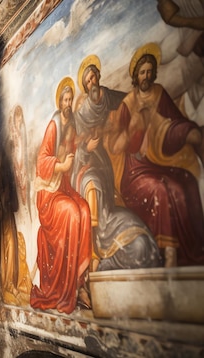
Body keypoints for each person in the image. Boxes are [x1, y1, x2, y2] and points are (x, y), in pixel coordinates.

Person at [110, 43, 204, 267]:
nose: (146, 76)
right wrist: (134, 127)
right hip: (134, 171)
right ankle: (167, 256)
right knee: (161, 190)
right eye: (142, 72)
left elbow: (174, 121)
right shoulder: (128, 104)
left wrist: (184, 132)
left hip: (160, 161)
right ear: (136, 75)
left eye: (150, 71)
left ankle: (192, 252)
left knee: (185, 184)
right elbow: (115, 146)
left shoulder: (160, 93)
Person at [72, 55, 161, 272]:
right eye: (88, 81)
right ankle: (93, 258)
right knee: (94, 187)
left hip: (106, 163)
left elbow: (129, 101)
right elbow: (75, 146)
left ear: (99, 77)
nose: (92, 83)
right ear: (85, 87)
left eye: (94, 77)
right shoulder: (81, 114)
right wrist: (86, 148)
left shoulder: (108, 97)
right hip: (87, 166)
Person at [31, 77, 92, 314]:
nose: (68, 103)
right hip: (48, 193)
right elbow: (41, 160)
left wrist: (87, 147)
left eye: (70, 99)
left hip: (63, 186)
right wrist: (60, 166)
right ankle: (66, 289)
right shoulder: (54, 125)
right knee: (71, 213)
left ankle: (79, 282)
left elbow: (76, 150)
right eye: (65, 100)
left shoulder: (72, 124)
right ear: (59, 101)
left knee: (84, 210)